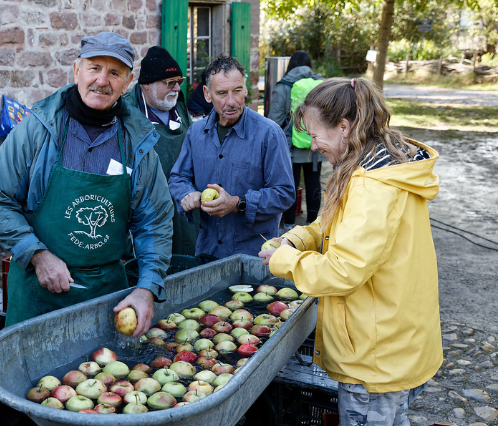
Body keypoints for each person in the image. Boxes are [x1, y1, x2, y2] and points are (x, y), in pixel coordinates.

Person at [259, 77, 440, 426]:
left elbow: (344, 269)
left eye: (314, 135)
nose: (311, 146)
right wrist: (296, 240)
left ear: (344, 126)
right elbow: (334, 225)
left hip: (377, 353)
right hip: (391, 336)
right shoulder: (368, 164)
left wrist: (285, 261)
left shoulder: (372, 186)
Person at [0, 32, 173, 336]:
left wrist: (147, 287)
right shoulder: (38, 130)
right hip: (36, 291)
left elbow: (155, 223)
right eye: (94, 68)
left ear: (128, 81)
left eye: (114, 73)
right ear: (76, 70)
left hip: (106, 297)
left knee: (101, 379)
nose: (102, 80)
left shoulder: (137, 142)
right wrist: (36, 254)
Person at [169, 54, 295, 261]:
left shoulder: (269, 134)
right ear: (207, 94)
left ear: (246, 89)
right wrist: (186, 194)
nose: (231, 101)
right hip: (207, 251)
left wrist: (238, 203)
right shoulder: (195, 133)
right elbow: (177, 178)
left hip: (255, 255)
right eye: (221, 93)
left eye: (237, 91)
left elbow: (285, 193)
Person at [123, 46, 199, 256]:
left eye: (179, 82)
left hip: (184, 202)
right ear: (146, 85)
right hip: (147, 208)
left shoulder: (180, 108)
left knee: (185, 261)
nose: (176, 88)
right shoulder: (126, 112)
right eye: (169, 83)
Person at [267, 51, 326, 231]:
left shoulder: (283, 86)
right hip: (316, 142)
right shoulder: (322, 85)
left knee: (289, 183)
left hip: (289, 144)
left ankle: (290, 225)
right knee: (314, 180)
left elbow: (274, 120)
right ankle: (312, 224)